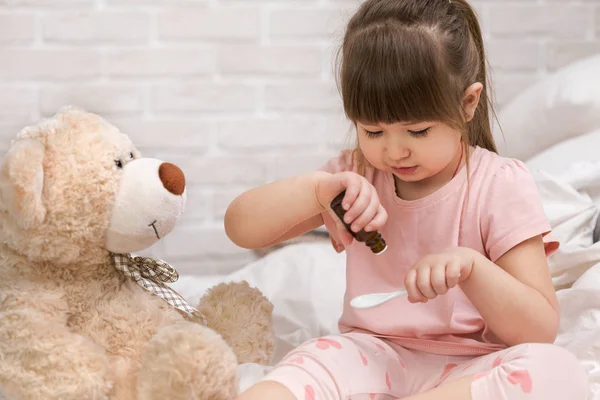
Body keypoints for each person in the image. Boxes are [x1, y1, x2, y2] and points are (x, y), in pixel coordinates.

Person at [224, 0, 589, 399]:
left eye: (417, 131)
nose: (395, 152)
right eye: (374, 132)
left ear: (468, 104)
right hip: (373, 355)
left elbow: (538, 329)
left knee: (556, 370)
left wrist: (473, 268)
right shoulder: (354, 176)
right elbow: (240, 228)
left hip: (471, 368)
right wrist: (314, 192)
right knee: (309, 365)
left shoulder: (498, 184)